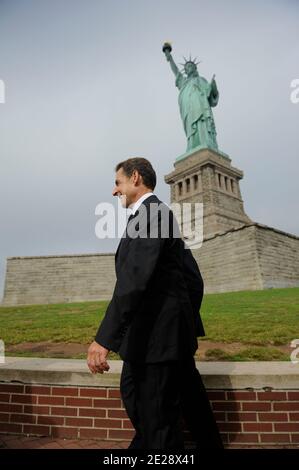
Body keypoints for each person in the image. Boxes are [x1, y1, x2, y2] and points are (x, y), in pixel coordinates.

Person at [87, 157, 223, 449]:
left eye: (117, 182)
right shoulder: (153, 216)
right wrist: (180, 321)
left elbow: (134, 280)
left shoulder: (153, 215)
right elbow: (192, 278)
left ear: (135, 178)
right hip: (164, 339)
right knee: (174, 403)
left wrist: (103, 339)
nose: (114, 191)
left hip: (157, 342)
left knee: (156, 418)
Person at [163, 45, 219, 152]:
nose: (188, 68)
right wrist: (170, 58)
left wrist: (213, 87)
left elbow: (211, 96)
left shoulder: (202, 80)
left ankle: (205, 142)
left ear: (195, 68)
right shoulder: (183, 82)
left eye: (190, 66)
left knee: (202, 123)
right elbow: (176, 72)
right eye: (186, 67)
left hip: (201, 107)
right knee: (191, 128)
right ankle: (193, 145)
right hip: (188, 109)